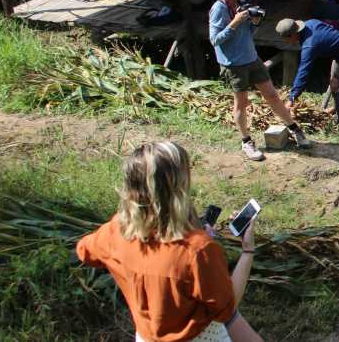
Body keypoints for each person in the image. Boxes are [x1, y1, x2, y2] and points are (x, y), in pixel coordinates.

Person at [76, 141, 264, 342]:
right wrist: (247, 250)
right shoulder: (199, 251)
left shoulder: (115, 231)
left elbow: (84, 251)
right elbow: (228, 308)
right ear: (178, 188)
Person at [210, 0, 312, 161]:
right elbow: (215, 40)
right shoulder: (219, 9)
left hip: (251, 57)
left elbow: (247, 33)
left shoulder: (242, 4)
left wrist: (254, 23)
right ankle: (246, 141)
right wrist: (234, 23)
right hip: (234, 63)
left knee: (272, 95)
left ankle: (294, 129)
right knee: (241, 103)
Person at [276, 18, 339, 127]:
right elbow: (330, 28)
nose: (286, 42)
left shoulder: (309, 45)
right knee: (334, 84)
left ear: (293, 35)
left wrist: (292, 98)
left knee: (336, 87)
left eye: (285, 39)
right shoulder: (310, 22)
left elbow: (303, 72)